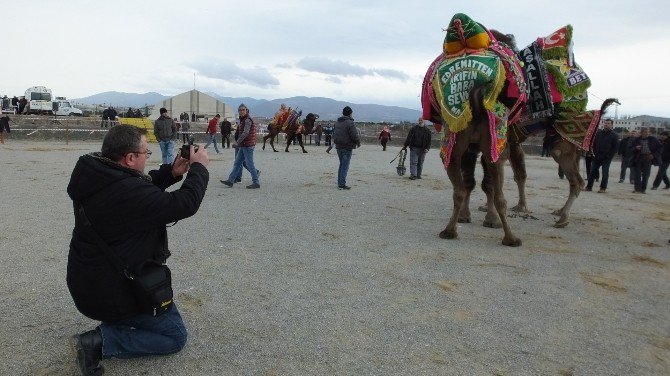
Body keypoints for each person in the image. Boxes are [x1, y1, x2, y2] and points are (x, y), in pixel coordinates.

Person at [66, 125, 209, 376]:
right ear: (130, 158)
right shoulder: (126, 192)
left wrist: (171, 173)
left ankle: (114, 323)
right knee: (174, 336)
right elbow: (184, 203)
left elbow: (139, 188)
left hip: (89, 283)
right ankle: (99, 342)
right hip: (113, 291)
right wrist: (199, 168)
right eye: (145, 152)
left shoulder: (97, 174)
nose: (147, 156)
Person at [220, 104, 261, 189]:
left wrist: (237, 142)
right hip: (243, 145)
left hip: (248, 146)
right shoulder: (243, 120)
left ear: (246, 110)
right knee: (237, 163)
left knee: (250, 164)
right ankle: (230, 180)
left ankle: (256, 182)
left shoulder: (247, 120)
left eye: (243, 109)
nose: (241, 111)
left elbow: (245, 133)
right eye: (240, 110)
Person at [584, 119, 618, 193]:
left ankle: (603, 188)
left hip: (606, 158)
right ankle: (589, 187)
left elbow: (615, 148)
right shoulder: (598, 133)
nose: (606, 124)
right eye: (605, 123)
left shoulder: (614, 135)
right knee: (592, 172)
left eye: (608, 123)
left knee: (605, 173)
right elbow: (594, 144)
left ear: (612, 125)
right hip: (596, 157)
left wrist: (609, 156)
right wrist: (593, 153)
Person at [333, 106, 360, 189]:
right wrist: (358, 142)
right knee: (345, 166)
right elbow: (354, 135)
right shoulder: (350, 123)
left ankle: (340, 182)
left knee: (341, 165)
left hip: (338, 146)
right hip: (347, 147)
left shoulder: (337, 122)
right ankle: (341, 184)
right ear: (350, 113)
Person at [630, 127, 662, 194]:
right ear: (641, 133)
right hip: (638, 158)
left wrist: (653, 155)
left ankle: (643, 189)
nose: (647, 133)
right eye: (645, 132)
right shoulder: (637, 140)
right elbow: (631, 148)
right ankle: (637, 189)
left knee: (646, 175)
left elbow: (660, 148)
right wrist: (636, 148)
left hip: (648, 158)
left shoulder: (653, 139)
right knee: (637, 174)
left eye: (648, 132)